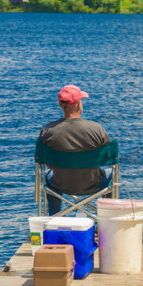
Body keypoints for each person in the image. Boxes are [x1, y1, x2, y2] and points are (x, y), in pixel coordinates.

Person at [39, 85, 111, 216]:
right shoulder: (96, 129)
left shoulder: (48, 130)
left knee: (47, 176)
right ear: (78, 104)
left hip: (60, 183)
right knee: (112, 173)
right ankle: (108, 219)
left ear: (62, 105)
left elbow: (45, 162)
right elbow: (109, 159)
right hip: (93, 183)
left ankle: (57, 219)